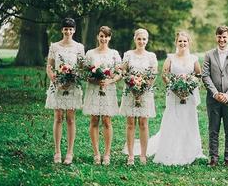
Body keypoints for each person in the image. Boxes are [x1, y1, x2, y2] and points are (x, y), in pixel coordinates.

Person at [147, 31, 205, 165]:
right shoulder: (170, 58)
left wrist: (189, 86)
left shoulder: (194, 59)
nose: (182, 43)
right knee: (173, 119)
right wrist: (174, 87)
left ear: (189, 42)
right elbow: (164, 75)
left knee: (188, 120)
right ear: (176, 43)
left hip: (189, 97)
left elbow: (198, 75)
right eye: (180, 41)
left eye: (185, 41)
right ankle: (171, 150)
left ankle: (190, 150)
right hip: (173, 96)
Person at [45, 17, 85, 164]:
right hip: (58, 85)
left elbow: (82, 68)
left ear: (74, 30)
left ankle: (69, 152)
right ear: (62, 30)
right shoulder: (55, 46)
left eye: (71, 29)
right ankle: (57, 151)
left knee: (70, 118)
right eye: (66, 29)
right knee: (58, 117)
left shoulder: (79, 47)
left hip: (73, 86)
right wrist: (55, 80)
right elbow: (49, 66)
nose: (68, 31)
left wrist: (72, 79)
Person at [202, 25, 228, 167]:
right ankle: (213, 157)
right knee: (213, 129)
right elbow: (205, 76)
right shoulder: (209, 55)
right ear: (216, 37)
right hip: (213, 99)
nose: (222, 39)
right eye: (219, 36)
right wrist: (215, 93)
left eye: (224, 36)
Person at [82, 26, 121, 166]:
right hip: (94, 89)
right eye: (101, 36)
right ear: (97, 37)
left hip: (108, 90)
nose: (104, 39)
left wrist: (109, 80)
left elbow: (119, 73)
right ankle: (96, 153)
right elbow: (85, 72)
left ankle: (107, 153)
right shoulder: (90, 53)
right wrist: (94, 79)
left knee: (106, 120)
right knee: (94, 120)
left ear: (110, 37)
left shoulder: (115, 53)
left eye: (106, 36)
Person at [119, 28, 158, 165]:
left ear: (147, 40)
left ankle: (142, 154)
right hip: (130, 91)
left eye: (144, 39)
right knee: (130, 124)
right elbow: (123, 71)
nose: (141, 41)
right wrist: (131, 84)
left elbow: (153, 75)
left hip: (145, 93)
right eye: (139, 39)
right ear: (135, 39)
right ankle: (130, 155)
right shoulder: (128, 54)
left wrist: (143, 89)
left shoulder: (151, 56)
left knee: (143, 123)